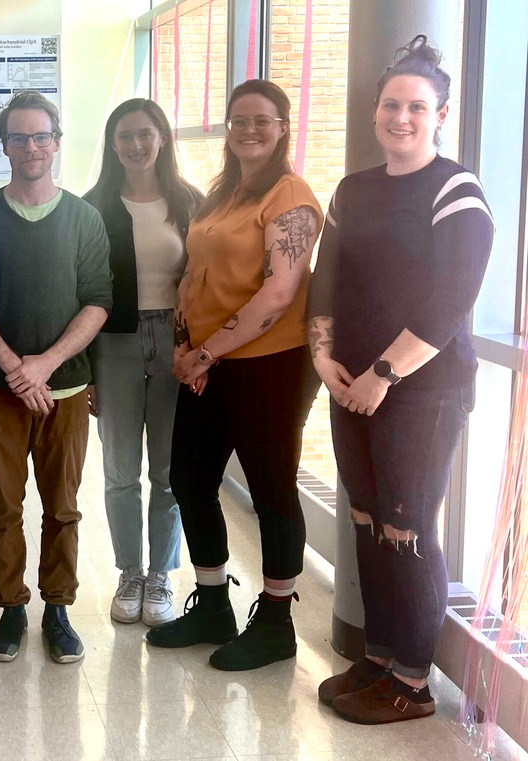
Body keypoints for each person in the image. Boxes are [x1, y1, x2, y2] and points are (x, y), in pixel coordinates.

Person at [310, 36, 493, 724]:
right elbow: (326, 277)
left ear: (440, 114)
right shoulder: (353, 190)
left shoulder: (455, 189)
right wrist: (322, 356)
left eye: (417, 106)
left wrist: (383, 374)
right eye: (391, 104)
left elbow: (451, 301)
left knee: (405, 527)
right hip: (349, 382)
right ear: (375, 111)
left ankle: (413, 683)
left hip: (422, 390)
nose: (401, 117)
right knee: (366, 519)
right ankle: (381, 656)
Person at [146, 79, 323, 672]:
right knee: (191, 480)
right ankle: (214, 605)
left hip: (269, 364)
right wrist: (186, 348)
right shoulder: (224, 193)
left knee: (271, 491)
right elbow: (192, 274)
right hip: (208, 361)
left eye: (262, 120)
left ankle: (276, 624)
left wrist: (204, 354)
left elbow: (278, 293)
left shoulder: (290, 195)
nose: (249, 129)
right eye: (239, 119)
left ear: (283, 128)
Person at [0, 90, 113, 664]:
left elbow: (97, 302)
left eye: (41, 136)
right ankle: (12, 608)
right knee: (2, 507)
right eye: (18, 137)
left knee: (62, 507)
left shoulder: (84, 219)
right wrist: (16, 370)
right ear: (4, 147)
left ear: (57, 142)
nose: (30, 147)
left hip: (65, 391)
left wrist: (42, 365)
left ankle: (59, 608)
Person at [83, 99, 204, 627]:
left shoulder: (191, 202)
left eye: (145, 134)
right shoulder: (93, 206)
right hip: (114, 343)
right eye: (125, 136)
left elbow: (207, 281)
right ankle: (129, 572)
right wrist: (86, 369)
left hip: (176, 342)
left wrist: (201, 353)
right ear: (112, 144)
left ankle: (160, 575)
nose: (135, 145)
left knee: (169, 471)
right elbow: (81, 291)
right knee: (119, 471)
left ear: (162, 138)